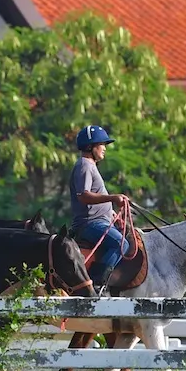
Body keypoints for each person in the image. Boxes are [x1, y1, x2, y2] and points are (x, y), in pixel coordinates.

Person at [69, 125, 131, 293]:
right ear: (90, 146)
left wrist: (111, 213)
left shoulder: (90, 166)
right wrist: (113, 198)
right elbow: (83, 195)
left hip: (100, 221)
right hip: (89, 224)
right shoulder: (85, 166)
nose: (104, 148)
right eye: (101, 144)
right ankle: (97, 284)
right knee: (121, 245)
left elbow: (94, 196)